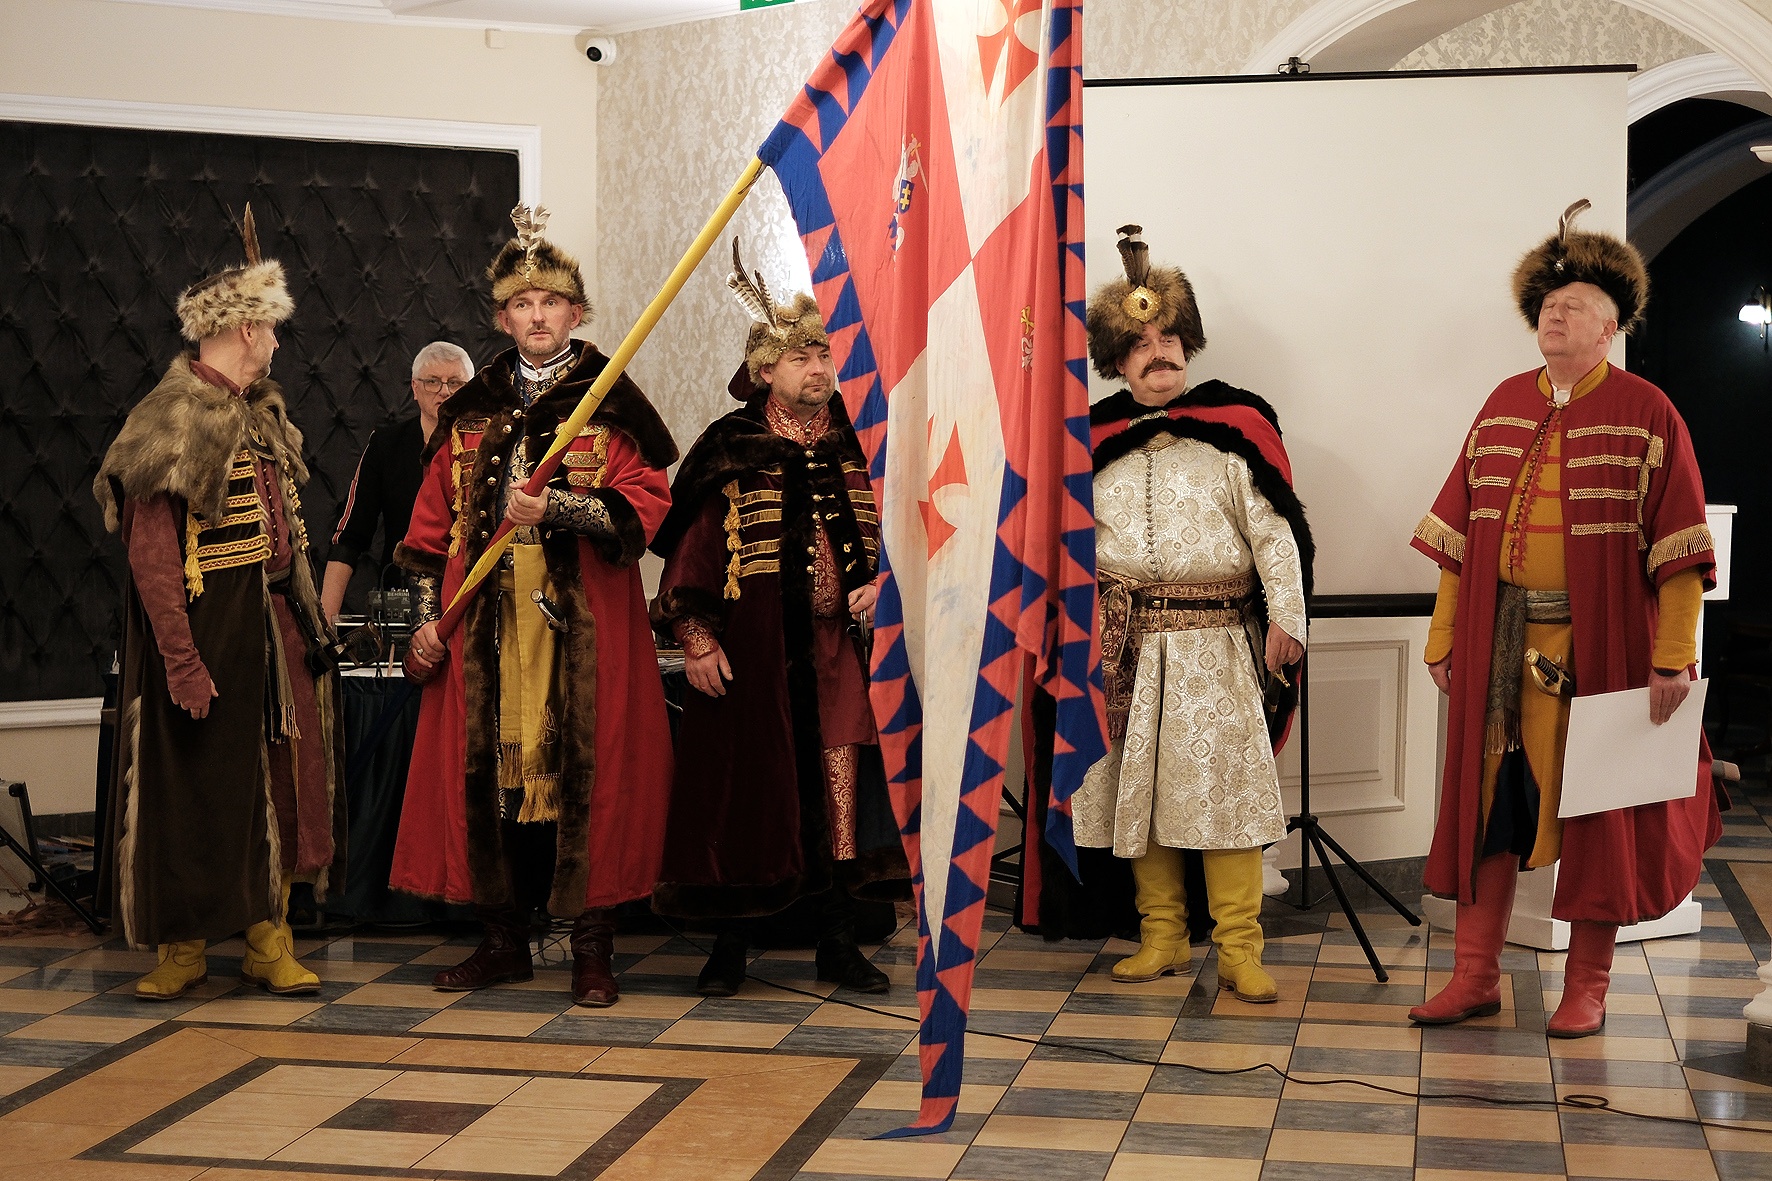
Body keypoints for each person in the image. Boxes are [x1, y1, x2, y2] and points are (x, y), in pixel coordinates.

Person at [1409, 201, 1721, 1038]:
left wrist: (1672, 657)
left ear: (1610, 328)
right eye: (1549, 304)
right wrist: (1444, 637)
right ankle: (1474, 976)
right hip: (1498, 647)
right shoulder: (1502, 402)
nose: (1556, 314)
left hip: (1603, 654)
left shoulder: (1648, 411)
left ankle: (1587, 987)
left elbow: (1680, 552)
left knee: (1598, 818)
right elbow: (1459, 540)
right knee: (1491, 814)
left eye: (1575, 305)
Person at [390, 206, 678, 1008]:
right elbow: (427, 532)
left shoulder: (608, 399)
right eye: (522, 304)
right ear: (502, 318)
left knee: (587, 777)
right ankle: (503, 940)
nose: (537, 315)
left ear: (575, 312)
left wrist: (558, 507)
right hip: (486, 633)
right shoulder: (471, 409)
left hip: (584, 633)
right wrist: (427, 619)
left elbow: (645, 509)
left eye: (550, 302)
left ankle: (592, 948)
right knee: (492, 783)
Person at [94, 207, 345, 1000]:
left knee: (272, 784)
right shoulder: (171, 418)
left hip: (266, 631)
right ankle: (184, 945)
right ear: (243, 328)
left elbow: (285, 533)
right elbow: (151, 554)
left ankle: (271, 938)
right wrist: (181, 660)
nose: (276, 343)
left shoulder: (258, 412)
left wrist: (304, 620)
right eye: (270, 328)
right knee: (192, 789)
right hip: (204, 630)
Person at [648, 242, 909, 997]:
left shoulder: (862, 443)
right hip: (755, 656)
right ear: (766, 370)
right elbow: (693, 553)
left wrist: (885, 585)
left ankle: (838, 940)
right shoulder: (732, 445)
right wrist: (697, 638)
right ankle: (731, 945)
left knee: (841, 794)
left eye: (824, 354)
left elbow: (913, 536)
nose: (817, 368)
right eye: (800, 357)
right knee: (749, 793)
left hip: (840, 654)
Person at [1073, 226, 1311, 1004]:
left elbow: (1275, 533)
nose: (1159, 354)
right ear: (1117, 362)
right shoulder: (1092, 442)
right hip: (1125, 647)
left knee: (1223, 794)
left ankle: (1240, 947)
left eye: (1169, 339)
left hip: (1218, 645)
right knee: (1139, 791)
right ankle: (1163, 936)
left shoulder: (1235, 431)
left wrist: (1287, 617)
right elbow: (1066, 546)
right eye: (1140, 346)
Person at [320, 341, 474, 620]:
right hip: (401, 598)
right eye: (432, 382)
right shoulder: (386, 445)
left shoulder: (488, 446)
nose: (445, 392)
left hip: (471, 596)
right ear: (415, 388)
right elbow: (350, 536)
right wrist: (324, 622)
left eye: (455, 383)